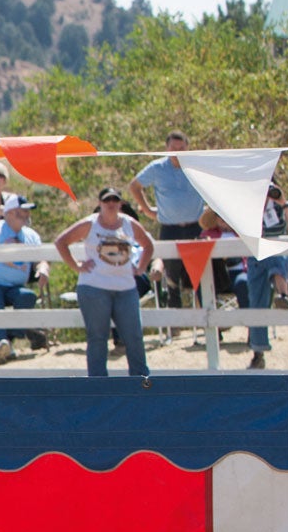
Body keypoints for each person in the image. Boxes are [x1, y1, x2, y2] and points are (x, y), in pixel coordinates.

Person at [56, 186, 155, 378]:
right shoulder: (90, 224)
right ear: (100, 203)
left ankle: (141, 380)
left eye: (114, 200)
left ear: (120, 203)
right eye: (107, 201)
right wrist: (76, 266)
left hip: (125, 287)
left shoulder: (129, 224)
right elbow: (61, 241)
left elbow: (148, 244)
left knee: (134, 337)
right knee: (98, 338)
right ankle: (98, 384)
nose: (111, 204)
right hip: (94, 287)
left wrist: (141, 268)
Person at [129, 131, 204, 306]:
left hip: (195, 226)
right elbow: (135, 186)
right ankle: (175, 321)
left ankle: (211, 325)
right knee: (171, 275)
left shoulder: (197, 166)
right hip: (170, 228)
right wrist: (147, 210)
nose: (177, 152)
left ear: (187, 147)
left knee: (201, 273)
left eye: (181, 148)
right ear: (167, 148)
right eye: (173, 148)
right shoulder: (157, 168)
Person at [0, 194, 49, 363]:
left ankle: (7, 339)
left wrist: (43, 268)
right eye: (21, 212)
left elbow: (40, 258)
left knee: (27, 297)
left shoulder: (31, 235)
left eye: (27, 212)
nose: (26, 216)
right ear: (9, 213)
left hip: (17, 285)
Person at [247, 180, 288, 370]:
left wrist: (283, 203)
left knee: (275, 259)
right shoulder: (250, 203)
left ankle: (282, 295)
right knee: (256, 304)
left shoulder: (281, 205)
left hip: (280, 253)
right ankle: (258, 353)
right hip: (257, 255)